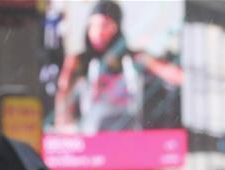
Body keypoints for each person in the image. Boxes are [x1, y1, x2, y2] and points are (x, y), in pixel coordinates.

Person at [53, 0, 183, 134]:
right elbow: (63, 92)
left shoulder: (134, 58)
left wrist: (186, 79)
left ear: (116, 27)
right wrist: (64, 124)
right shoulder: (78, 61)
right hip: (92, 134)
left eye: (104, 25)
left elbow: (170, 73)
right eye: (93, 25)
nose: (98, 32)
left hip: (128, 133)